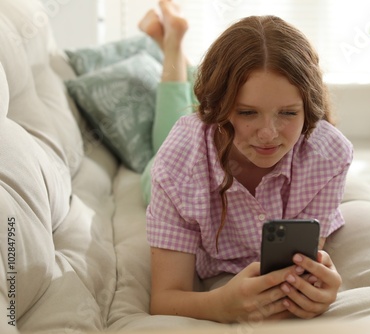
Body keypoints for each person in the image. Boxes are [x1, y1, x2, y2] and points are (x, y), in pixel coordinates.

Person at [139, 0, 353, 323]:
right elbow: (165, 298)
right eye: (246, 112)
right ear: (218, 111)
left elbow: (299, 270)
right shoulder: (178, 163)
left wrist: (316, 290)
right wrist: (219, 306)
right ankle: (171, 46)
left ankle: (177, 51)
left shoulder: (329, 154)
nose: (268, 134)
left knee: (225, 90)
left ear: (308, 108)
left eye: (288, 113)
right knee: (168, 126)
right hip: (162, 166)